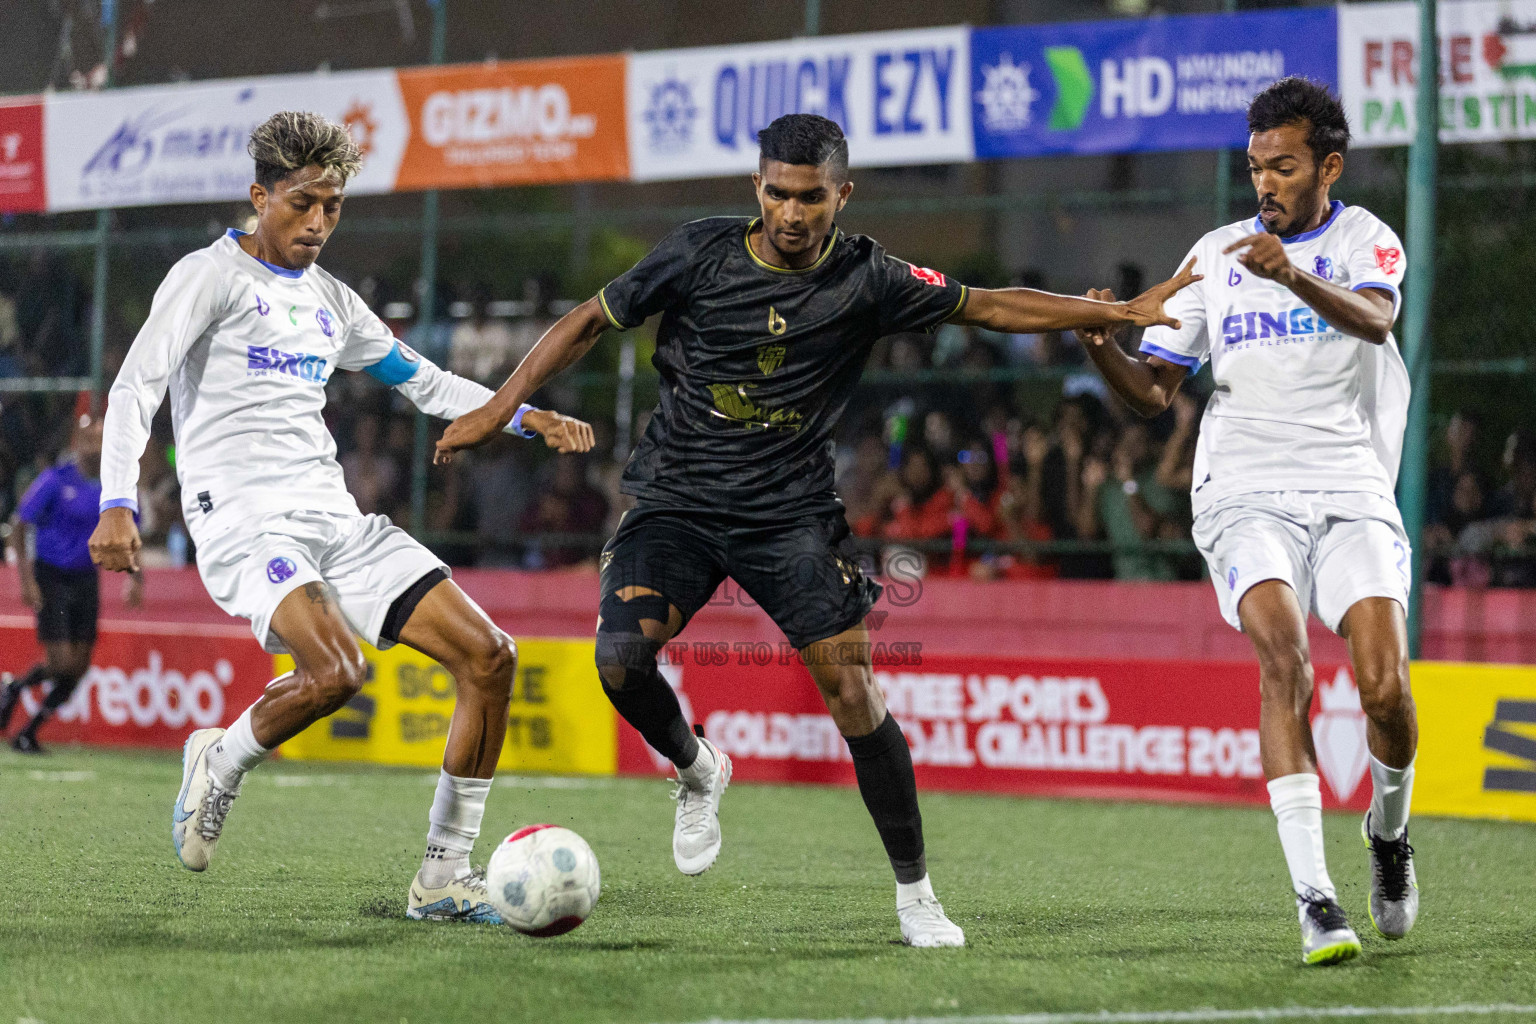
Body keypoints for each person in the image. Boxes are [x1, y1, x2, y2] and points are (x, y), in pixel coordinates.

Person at [433, 112, 1197, 947]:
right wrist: (497, 409)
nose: (792, 215)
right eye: (778, 195)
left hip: (791, 516)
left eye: (811, 199)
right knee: (618, 660)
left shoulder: (869, 277)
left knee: (853, 694)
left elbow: (988, 308)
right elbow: (584, 322)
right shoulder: (698, 252)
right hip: (675, 503)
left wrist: (1117, 309)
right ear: (756, 188)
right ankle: (698, 768)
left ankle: (916, 898)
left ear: (842, 194)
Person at [88, 111, 595, 923]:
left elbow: (425, 382)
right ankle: (220, 760)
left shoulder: (332, 303)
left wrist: (522, 415)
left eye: (333, 206)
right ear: (261, 196)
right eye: (302, 203)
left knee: (490, 657)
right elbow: (134, 387)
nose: (319, 222)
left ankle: (441, 878)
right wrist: (117, 501)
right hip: (246, 523)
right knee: (337, 673)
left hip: (335, 518)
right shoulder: (206, 277)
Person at [1073, 78, 1417, 965]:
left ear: (1328, 166)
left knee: (1386, 693)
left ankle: (1387, 837)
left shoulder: (1364, 239)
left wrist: (1293, 273)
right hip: (1243, 489)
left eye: (1285, 166)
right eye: (1257, 165)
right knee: (1284, 656)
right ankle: (1315, 899)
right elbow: (1153, 393)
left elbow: (1377, 324)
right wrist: (1101, 344)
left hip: (1347, 483)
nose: (1265, 183)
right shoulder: (1219, 251)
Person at [0, 413, 141, 753]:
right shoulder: (55, 479)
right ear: (78, 442)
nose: (97, 446)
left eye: (103, 440)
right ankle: (15, 688)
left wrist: (137, 577)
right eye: (91, 439)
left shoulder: (113, 487)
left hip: (86, 579)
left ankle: (28, 731)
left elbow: (131, 533)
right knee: (61, 662)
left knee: (78, 669)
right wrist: (27, 579)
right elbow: (19, 527)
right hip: (52, 576)